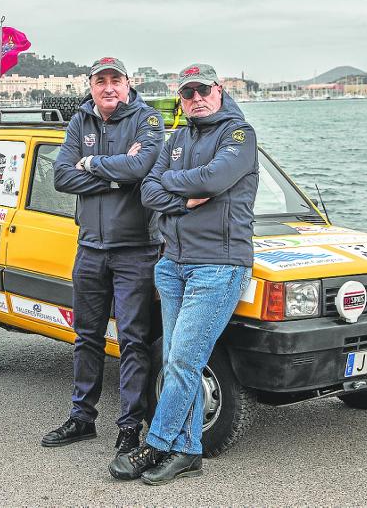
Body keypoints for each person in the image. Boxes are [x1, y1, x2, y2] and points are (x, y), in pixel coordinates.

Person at [109, 63, 258, 485]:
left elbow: (217, 176)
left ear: (219, 89)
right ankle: (188, 450)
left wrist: (174, 181)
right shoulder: (177, 138)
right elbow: (148, 191)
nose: (195, 98)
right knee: (180, 361)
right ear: (181, 97)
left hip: (218, 265)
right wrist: (184, 196)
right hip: (173, 263)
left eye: (202, 90)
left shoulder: (239, 136)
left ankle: (155, 444)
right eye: (187, 93)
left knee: (182, 361)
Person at [44, 57, 164, 457]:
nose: (109, 87)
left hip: (135, 251)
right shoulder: (80, 122)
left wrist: (93, 165)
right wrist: (119, 174)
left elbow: (143, 166)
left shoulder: (148, 120)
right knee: (86, 337)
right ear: (91, 86)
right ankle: (82, 417)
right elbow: (61, 177)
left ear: (129, 84)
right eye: (101, 81)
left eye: (116, 80)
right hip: (90, 248)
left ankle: (130, 426)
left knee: (133, 341)